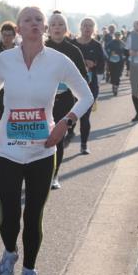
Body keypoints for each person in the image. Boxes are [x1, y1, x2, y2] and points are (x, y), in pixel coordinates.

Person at [0, 6, 93, 275]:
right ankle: (9, 252)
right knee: (8, 212)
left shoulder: (59, 61)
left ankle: (30, 270)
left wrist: (65, 123)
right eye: (27, 20)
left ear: (45, 27)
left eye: (38, 20)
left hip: (43, 150)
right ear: (18, 29)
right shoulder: (5, 60)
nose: (34, 23)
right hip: (8, 149)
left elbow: (86, 95)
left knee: (33, 214)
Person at [44, 12, 89, 189]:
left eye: (61, 24)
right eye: (53, 24)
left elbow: (82, 77)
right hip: (41, 101)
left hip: (64, 101)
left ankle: (54, 175)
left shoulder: (73, 50)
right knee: (41, 137)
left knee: (57, 136)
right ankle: (39, 172)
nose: (57, 27)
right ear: (48, 28)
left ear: (66, 28)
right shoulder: (40, 47)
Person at [71, 17, 105, 155]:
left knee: (85, 116)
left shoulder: (97, 46)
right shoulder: (72, 44)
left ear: (93, 29)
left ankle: (84, 145)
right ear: (80, 28)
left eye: (90, 26)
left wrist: (94, 64)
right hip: (71, 86)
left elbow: (102, 66)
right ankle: (69, 132)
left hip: (90, 85)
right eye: (85, 25)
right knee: (71, 114)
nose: (87, 28)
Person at [0, 20, 18, 119]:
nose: (6, 38)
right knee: (3, 118)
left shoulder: (21, 51)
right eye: (4, 35)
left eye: (9, 35)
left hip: (16, 90)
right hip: (0, 91)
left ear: (14, 36)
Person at [105, 31, 128, 96]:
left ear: (120, 36)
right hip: (111, 61)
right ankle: (114, 85)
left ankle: (116, 87)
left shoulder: (122, 43)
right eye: (116, 35)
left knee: (118, 74)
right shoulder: (111, 43)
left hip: (120, 61)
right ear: (114, 36)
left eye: (119, 35)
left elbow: (126, 52)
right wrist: (110, 53)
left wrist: (125, 57)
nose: (117, 36)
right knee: (113, 74)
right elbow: (106, 50)